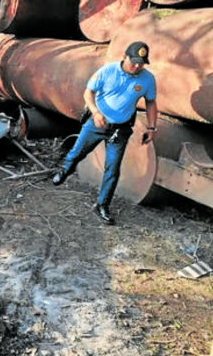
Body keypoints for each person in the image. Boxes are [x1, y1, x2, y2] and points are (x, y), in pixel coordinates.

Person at [52, 41, 158, 225]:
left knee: (113, 169)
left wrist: (151, 127)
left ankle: (102, 205)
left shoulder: (147, 79)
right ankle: (65, 170)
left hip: (121, 129)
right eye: (134, 61)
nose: (137, 66)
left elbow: (151, 103)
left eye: (141, 62)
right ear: (124, 57)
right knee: (77, 153)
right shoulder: (107, 71)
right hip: (96, 123)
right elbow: (88, 93)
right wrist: (95, 112)